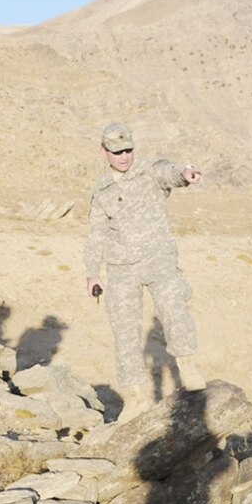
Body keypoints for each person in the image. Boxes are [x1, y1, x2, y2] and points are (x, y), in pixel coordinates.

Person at [84, 122, 206, 424]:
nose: (124, 157)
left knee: (173, 309)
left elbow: (170, 171)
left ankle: (188, 366)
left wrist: (184, 175)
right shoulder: (102, 190)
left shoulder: (150, 170)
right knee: (124, 331)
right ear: (104, 151)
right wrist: (92, 272)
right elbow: (97, 232)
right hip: (122, 267)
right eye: (117, 152)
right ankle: (136, 397)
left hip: (158, 258)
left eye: (128, 150)